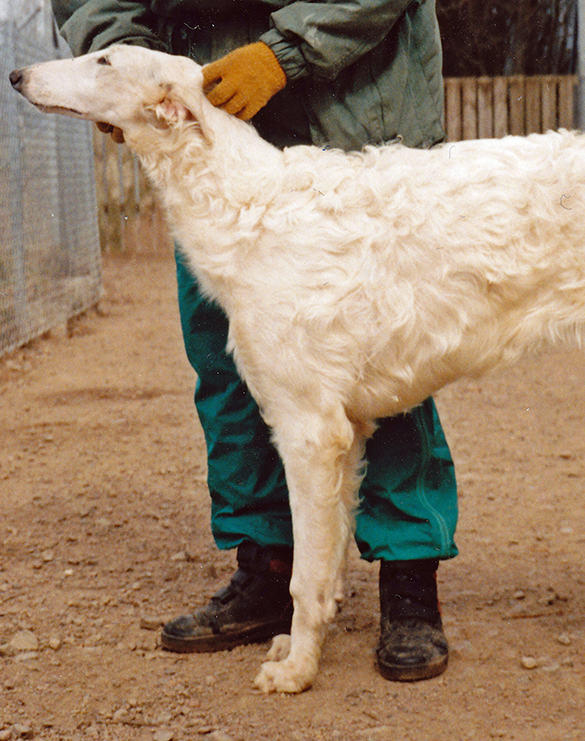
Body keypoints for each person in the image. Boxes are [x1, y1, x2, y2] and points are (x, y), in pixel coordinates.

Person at [51, 0, 458, 682]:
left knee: (386, 354)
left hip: (352, 96)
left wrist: (286, 52)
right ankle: (269, 564)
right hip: (202, 96)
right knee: (226, 355)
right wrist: (122, 62)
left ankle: (407, 573)